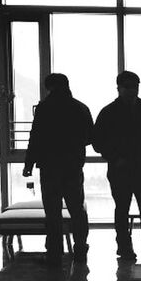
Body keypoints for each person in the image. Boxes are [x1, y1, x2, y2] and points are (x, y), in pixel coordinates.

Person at [22, 73, 93, 263]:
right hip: (73, 166)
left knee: (52, 212)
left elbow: (35, 139)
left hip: (49, 166)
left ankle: (54, 250)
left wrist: (28, 164)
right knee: (76, 209)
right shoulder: (80, 108)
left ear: (49, 87)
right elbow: (90, 138)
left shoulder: (44, 108)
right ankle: (80, 247)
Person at [93, 71, 141, 262]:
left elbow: (98, 141)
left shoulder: (109, 111)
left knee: (125, 209)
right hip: (135, 166)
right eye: (129, 87)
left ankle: (127, 249)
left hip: (123, 167)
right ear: (119, 88)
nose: (133, 90)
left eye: (135, 87)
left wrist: (115, 157)